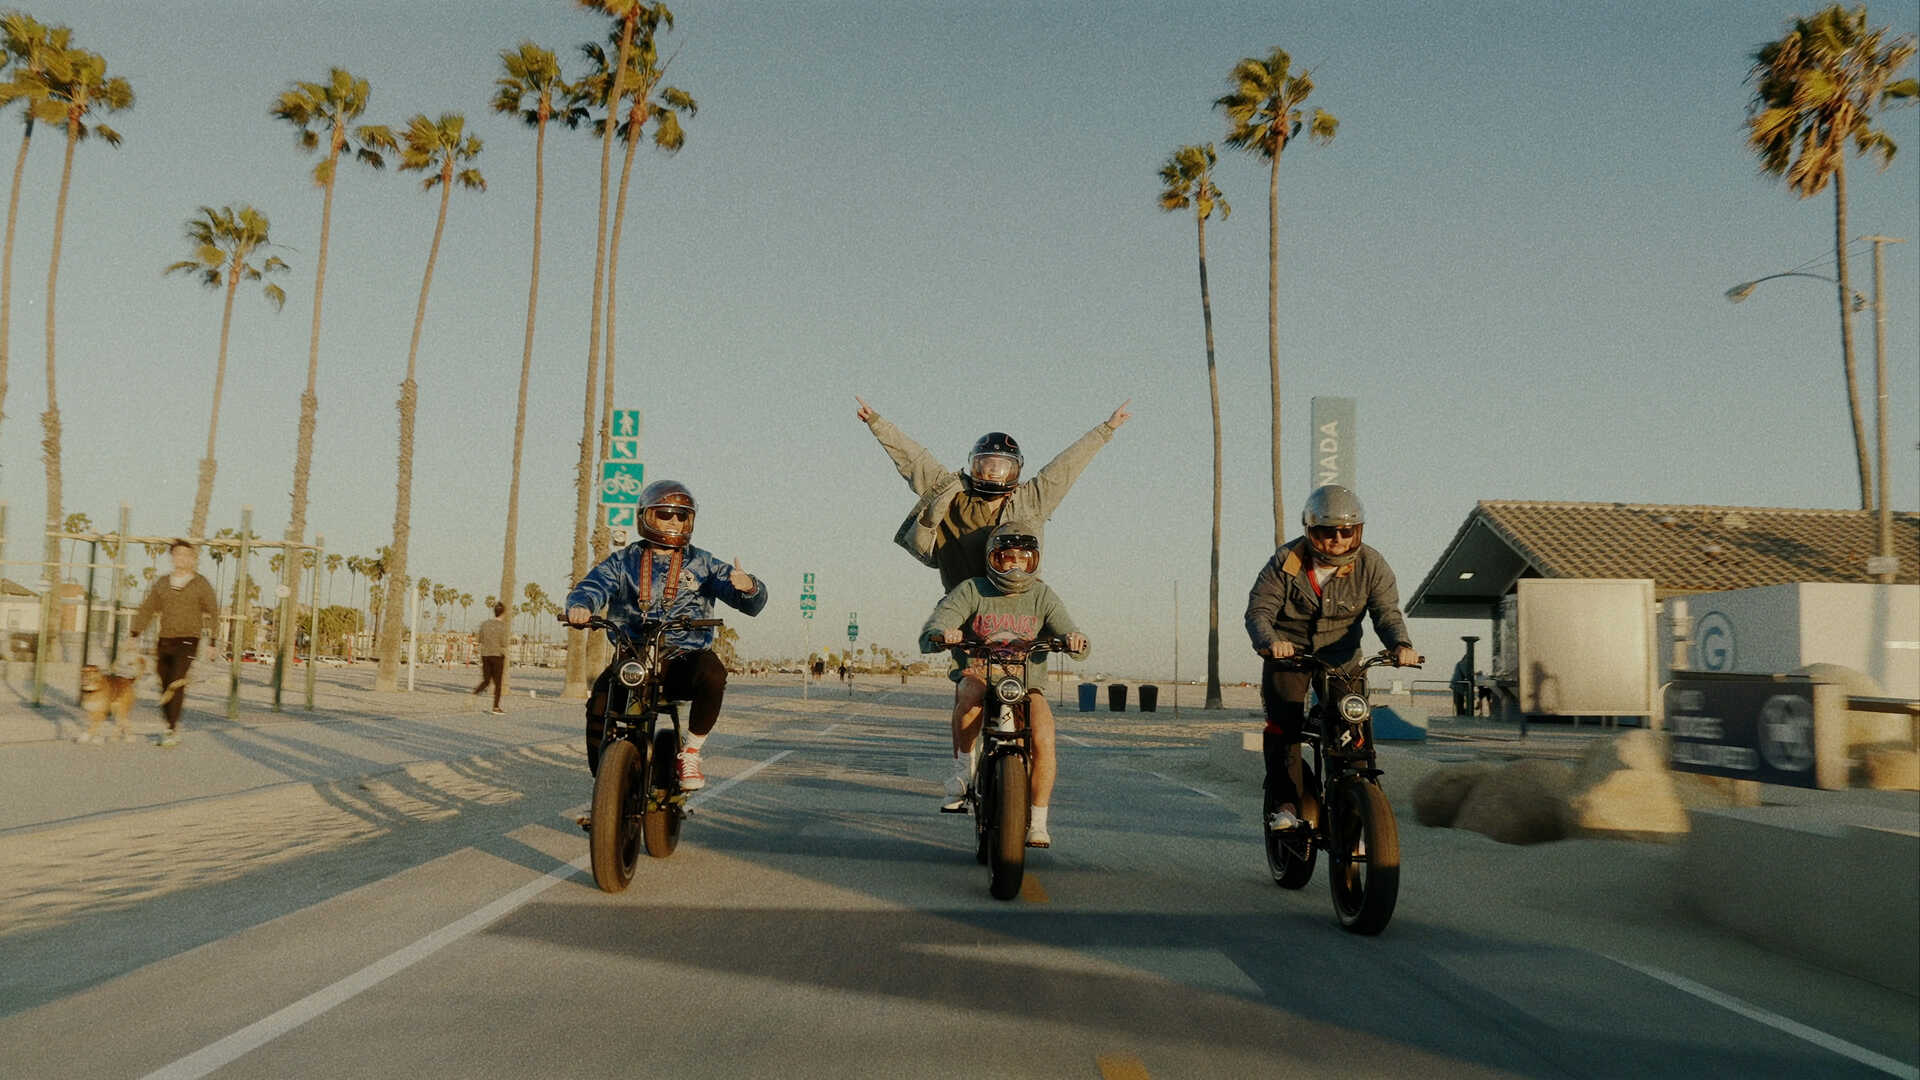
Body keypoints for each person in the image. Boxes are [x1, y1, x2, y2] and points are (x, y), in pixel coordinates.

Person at [564, 479, 766, 790]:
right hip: (633, 657)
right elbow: (592, 587)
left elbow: (751, 605)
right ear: (646, 516)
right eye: (665, 514)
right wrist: (580, 606)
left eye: (681, 516)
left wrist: (748, 587)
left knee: (713, 673)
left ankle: (691, 754)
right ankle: (604, 785)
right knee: (600, 704)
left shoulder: (704, 563)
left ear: (691, 521)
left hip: (682, 659)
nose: (674, 522)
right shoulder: (623, 561)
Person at [1244, 485, 1419, 832]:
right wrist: (1270, 642)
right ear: (1311, 531)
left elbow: (1386, 613)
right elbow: (1259, 611)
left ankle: (1363, 791)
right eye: (1326, 531)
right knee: (1284, 727)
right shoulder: (1286, 561)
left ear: (1357, 530)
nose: (1337, 539)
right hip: (1289, 657)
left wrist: (1400, 645)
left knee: (1354, 724)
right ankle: (1286, 805)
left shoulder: (1372, 564)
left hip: (1342, 659)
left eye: (1346, 530)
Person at [920, 522, 1089, 848]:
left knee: (1043, 737)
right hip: (980, 673)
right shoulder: (973, 589)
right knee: (968, 696)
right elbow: (940, 622)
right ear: (992, 558)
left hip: (1026, 683)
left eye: (1022, 558)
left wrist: (1073, 640)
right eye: (1006, 557)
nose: (1015, 565)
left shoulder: (1041, 594)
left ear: (1033, 561)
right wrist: (945, 632)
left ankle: (1038, 821)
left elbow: (1069, 630)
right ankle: (961, 774)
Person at [855, 395, 1132, 592]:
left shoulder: (1030, 501)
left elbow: (1064, 469)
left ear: (1016, 470)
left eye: (1001, 468)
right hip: (961, 605)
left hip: (1015, 605)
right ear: (974, 464)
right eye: (985, 466)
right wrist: (878, 424)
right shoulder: (950, 491)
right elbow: (913, 459)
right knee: (966, 674)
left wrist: (1105, 430)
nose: (992, 474)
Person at [128, 539, 220, 748]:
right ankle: (169, 723)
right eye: (178, 554)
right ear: (172, 557)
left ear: (193, 559)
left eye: (186, 555)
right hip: (165, 639)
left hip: (188, 640)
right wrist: (134, 634)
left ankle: (171, 728)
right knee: (164, 682)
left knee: (176, 681)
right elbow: (147, 608)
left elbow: (213, 611)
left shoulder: (200, 583)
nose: (182, 559)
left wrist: (212, 641)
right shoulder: (162, 582)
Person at [473, 601, 510, 714]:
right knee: (498, 683)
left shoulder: (485, 624)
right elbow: (504, 643)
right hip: (497, 656)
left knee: (486, 680)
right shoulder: (503, 626)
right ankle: (496, 707)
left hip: (485, 655)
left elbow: (479, 639)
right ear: (503, 613)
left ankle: (473, 695)